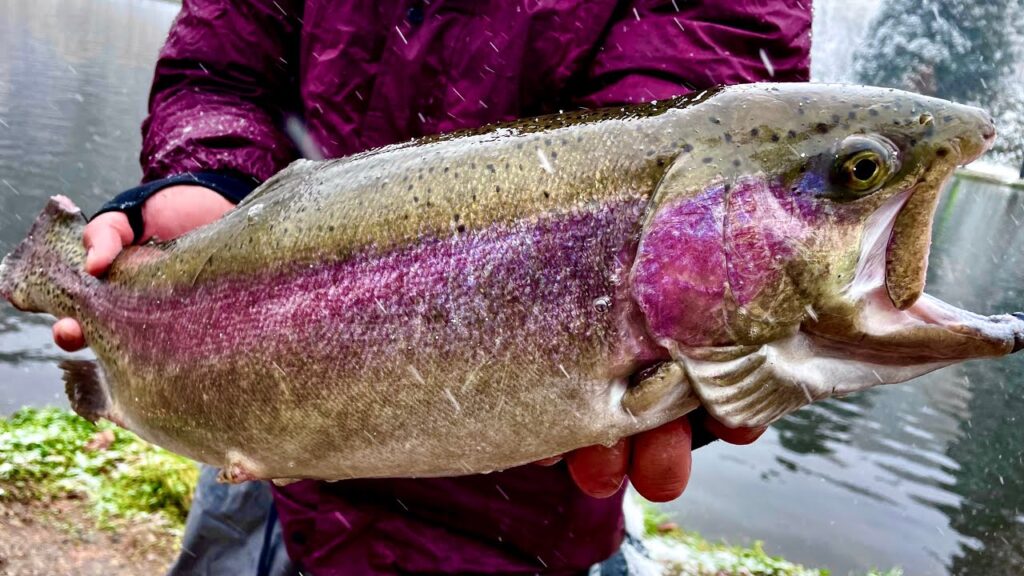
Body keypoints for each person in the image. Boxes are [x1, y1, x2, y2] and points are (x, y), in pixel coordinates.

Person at [52, 1, 812, 574]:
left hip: (518, 516)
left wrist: (704, 336)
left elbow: (685, 136)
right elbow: (224, 66)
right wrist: (210, 175)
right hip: (258, 451)